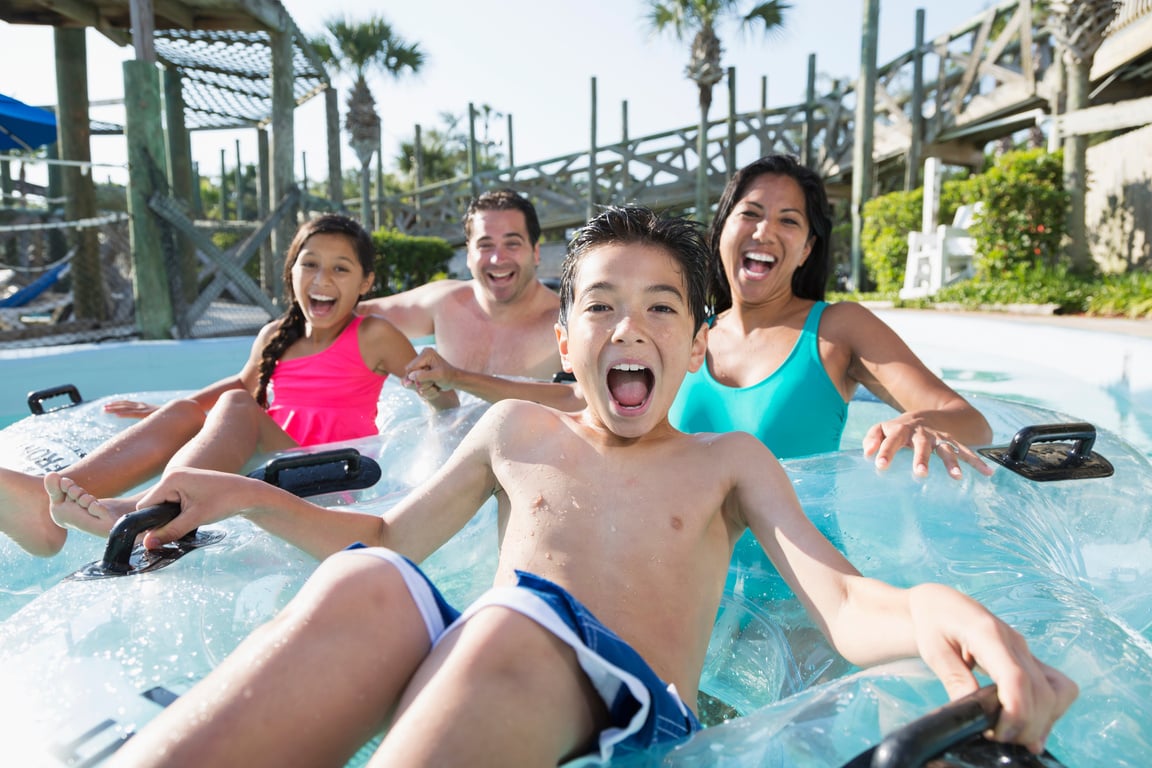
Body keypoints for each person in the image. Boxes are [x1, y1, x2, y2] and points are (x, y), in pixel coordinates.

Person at [100, 206, 1073, 768]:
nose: (628, 327)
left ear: (695, 347)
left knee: (504, 624)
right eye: (599, 307)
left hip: (626, 715)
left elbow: (847, 604)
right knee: (367, 587)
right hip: (497, 662)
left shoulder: (725, 466)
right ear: (566, 345)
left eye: (659, 308)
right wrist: (237, 496)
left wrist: (943, 608)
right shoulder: (518, 429)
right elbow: (389, 538)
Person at [406, 156, 992, 476]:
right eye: (751, 213)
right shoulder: (682, 328)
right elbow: (571, 396)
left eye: (790, 221)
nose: (765, 231)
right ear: (723, 228)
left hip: (795, 595)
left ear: (809, 248)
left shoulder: (837, 329)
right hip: (684, 576)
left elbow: (965, 419)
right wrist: (458, 379)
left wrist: (919, 425)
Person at [0, 213, 455, 556]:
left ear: (365, 282)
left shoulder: (371, 334)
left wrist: (438, 397)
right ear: (291, 271)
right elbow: (240, 383)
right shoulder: (276, 335)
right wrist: (168, 412)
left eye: (340, 269)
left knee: (237, 407)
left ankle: (137, 508)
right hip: (272, 466)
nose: (322, 280)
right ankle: (47, 499)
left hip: (328, 478)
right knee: (187, 411)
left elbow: (439, 394)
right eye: (310, 264)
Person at [363, 188, 568, 389]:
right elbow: (352, 314)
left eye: (512, 243)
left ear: (535, 252)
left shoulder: (565, 323)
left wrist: (457, 378)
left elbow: (578, 403)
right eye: (485, 245)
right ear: (469, 255)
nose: (498, 259)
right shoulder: (443, 303)